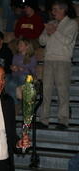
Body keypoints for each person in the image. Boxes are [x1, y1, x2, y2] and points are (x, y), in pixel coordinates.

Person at [38, 0, 78, 130]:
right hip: (49, 60)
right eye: (53, 9)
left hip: (63, 61)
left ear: (63, 9)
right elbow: (41, 41)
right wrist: (48, 33)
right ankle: (44, 120)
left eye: (55, 9)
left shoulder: (72, 24)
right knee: (46, 91)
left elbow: (68, 41)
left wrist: (54, 32)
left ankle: (63, 120)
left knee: (62, 92)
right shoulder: (51, 23)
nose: (53, 12)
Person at [6, 38, 37, 107]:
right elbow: (13, 66)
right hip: (15, 76)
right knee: (6, 78)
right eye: (18, 44)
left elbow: (33, 71)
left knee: (12, 83)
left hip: (26, 77)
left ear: (27, 46)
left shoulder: (32, 57)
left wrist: (22, 69)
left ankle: (15, 104)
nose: (18, 46)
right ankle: (12, 102)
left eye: (21, 44)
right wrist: (13, 68)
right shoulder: (16, 56)